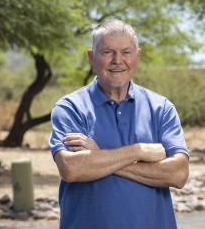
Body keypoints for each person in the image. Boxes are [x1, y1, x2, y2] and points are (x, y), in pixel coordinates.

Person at [49, 19, 189, 229]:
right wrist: (139, 151)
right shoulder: (71, 107)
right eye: (107, 52)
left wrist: (99, 158)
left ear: (137, 56)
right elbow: (72, 169)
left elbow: (178, 174)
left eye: (126, 52)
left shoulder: (161, 107)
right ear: (91, 57)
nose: (118, 60)